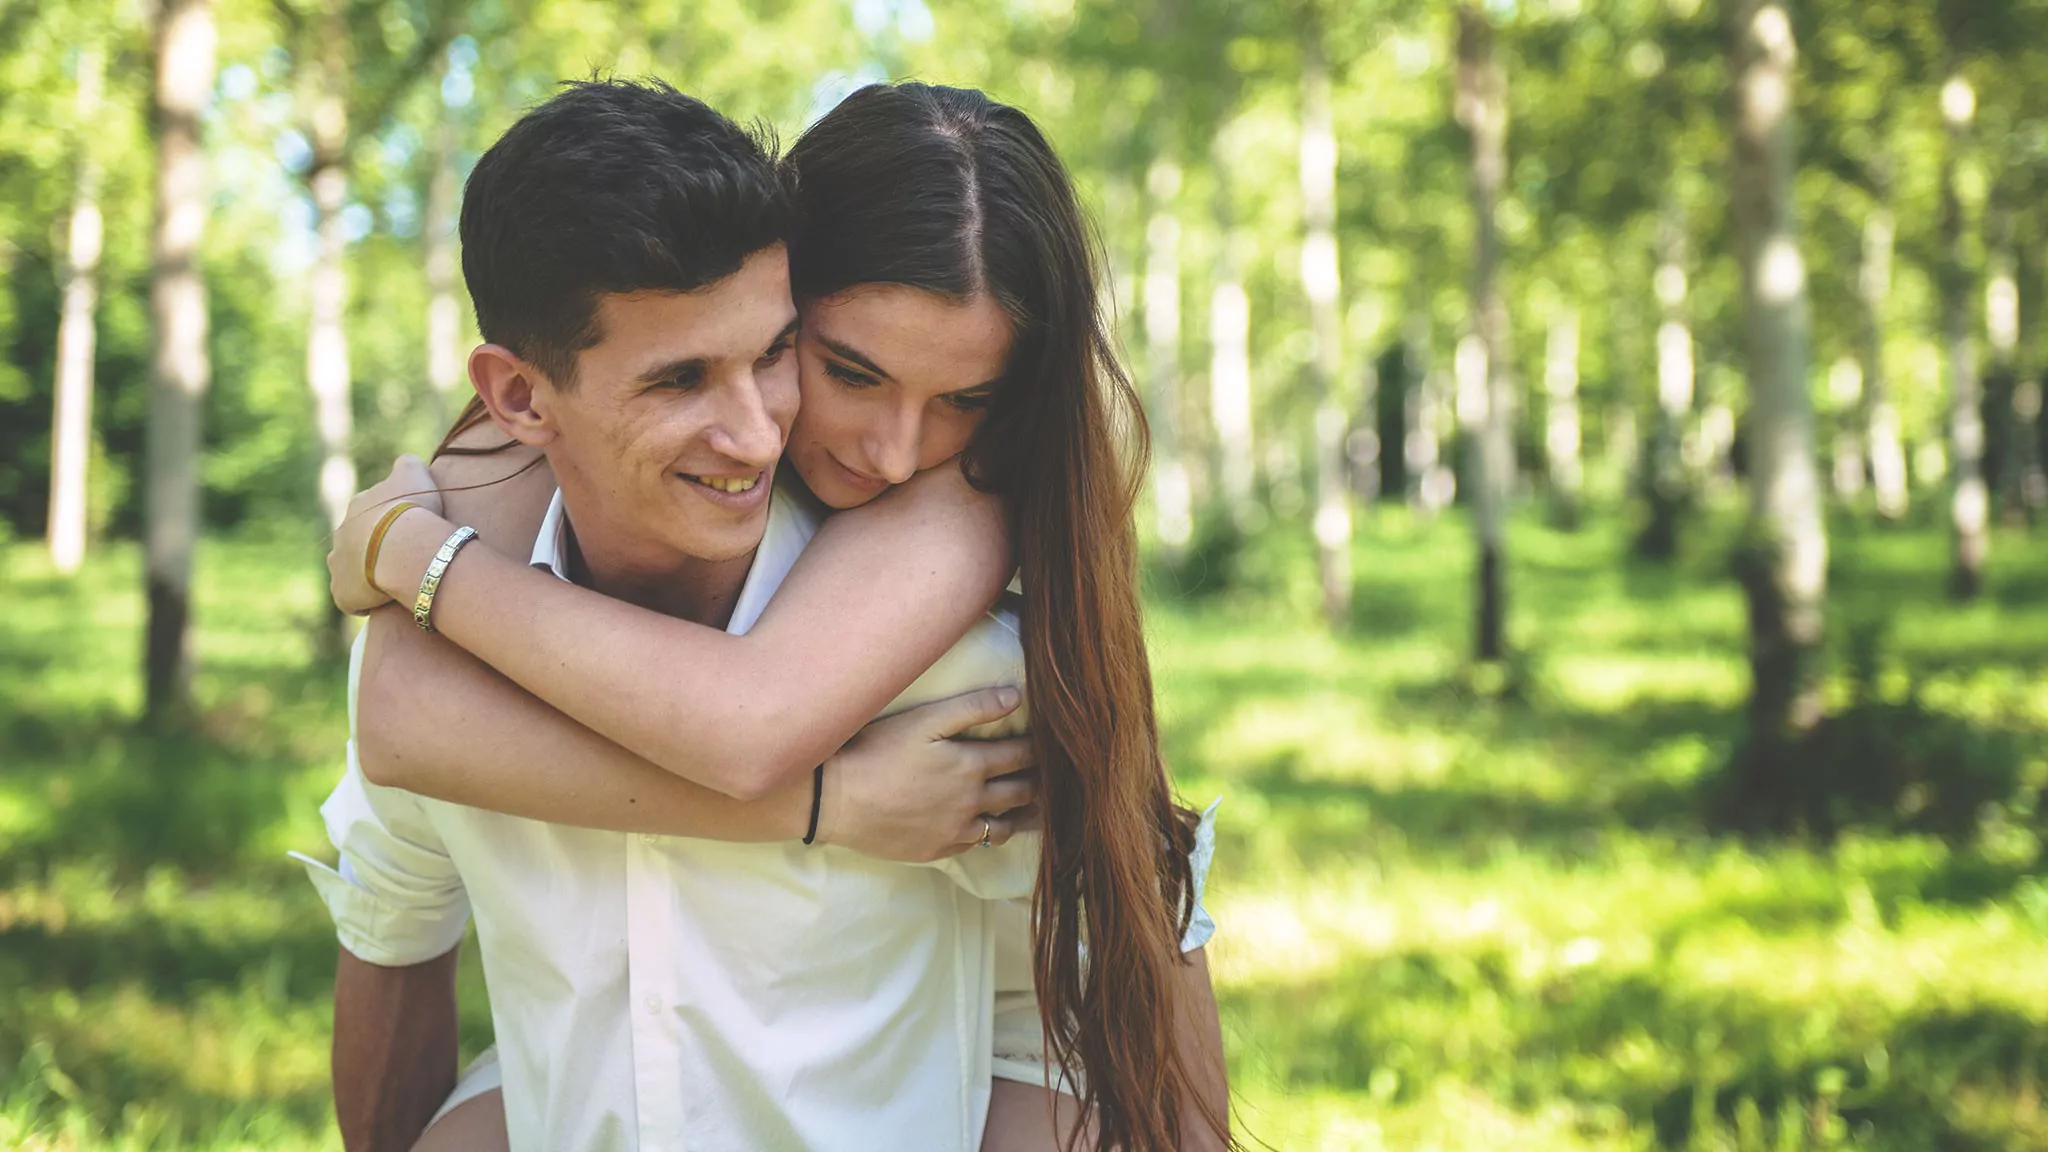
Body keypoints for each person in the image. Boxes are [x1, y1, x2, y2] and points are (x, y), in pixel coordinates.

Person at [320, 80, 1230, 1152]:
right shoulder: (502, 493)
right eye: (846, 370)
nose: (891, 452)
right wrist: (831, 805)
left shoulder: (956, 558)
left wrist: (403, 552)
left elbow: (751, 726)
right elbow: (398, 751)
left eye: (965, 398)